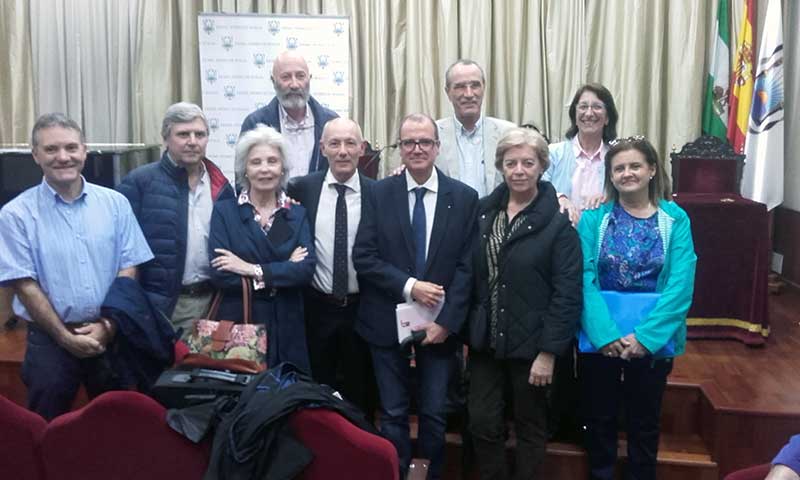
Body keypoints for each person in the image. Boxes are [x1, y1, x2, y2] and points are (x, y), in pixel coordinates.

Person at [0, 113, 153, 420]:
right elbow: (24, 284)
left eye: (71, 147)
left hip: (109, 337)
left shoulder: (115, 204)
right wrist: (64, 337)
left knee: (118, 427)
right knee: (46, 428)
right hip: (49, 343)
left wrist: (108, 327)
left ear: (84, 150)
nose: (63, 157)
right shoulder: (15, 215)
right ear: (35, 155)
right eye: (51, 149)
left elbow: (129, 267)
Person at [353, 113, 479, 480]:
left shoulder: (464, 197)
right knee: (391, 413)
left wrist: (446, 322)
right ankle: (397, 475)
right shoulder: (379, 192)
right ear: (400, 148)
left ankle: (430, 475)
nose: (417, 148)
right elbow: (365, 257)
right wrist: (411, 286)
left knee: (435, 414)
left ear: (438, 147)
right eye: (409, 142)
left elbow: (467, 270)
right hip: (384, 321)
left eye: (425, 141)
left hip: (439, 328)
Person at [577, 136, 697, 480]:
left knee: (644, 422)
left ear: (651, 170)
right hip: (601, 341)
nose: (627, 173)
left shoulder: (675, 219)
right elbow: (584, 279)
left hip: (652, 341)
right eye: (619, 168)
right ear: (610, 176)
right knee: (599, 419)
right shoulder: (593, 220)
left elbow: (681, 282)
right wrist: (604, 334)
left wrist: (646, 337)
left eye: (635, 166)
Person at [467, 127, 582, 479]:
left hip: (534, 349)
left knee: (531, 428)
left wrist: (548, 353)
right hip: (487, 342)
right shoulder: (483, 214)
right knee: (482, 422)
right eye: (511, 162)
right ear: (500, 166)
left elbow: (567, 293)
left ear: (541, 167)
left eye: (527, 163)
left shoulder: (558, 224)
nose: (519, 170)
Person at [117, 102, 234, 339]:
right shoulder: (140, 183)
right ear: (165, 139)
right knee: (164, 375)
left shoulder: (221, 186)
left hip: (214, 303)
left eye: (199, 134)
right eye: (183, 134)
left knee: (204, 375)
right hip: (162, 308)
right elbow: (121, 252)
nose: (192, 141)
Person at [209, 124, 316, 372]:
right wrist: (283, 268)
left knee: (287, 394)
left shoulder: (295, 213)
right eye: (256, 162)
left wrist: (249, 268)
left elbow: (305, 271)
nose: (265, 169)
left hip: (288, 323)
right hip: (242, 322)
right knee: (243, 398)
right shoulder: (225, 212)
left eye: (272, 161)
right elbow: (221, 274)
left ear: (282, 169)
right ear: (245, 170)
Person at [287, 118, 376, 414]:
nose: (342, 151)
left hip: (362, 309)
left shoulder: (379, 193)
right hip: (316, 309)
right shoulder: (301, 189)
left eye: (350, 143)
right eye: (334, 144)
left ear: (362, 149)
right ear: (322, 148)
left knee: (360, 393)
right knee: (316, 391)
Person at [239, 51, 339, 178]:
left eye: (300, 76)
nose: (294, 85)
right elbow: (242, 179)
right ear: (273, 81)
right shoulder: (255, 123)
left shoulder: (330, 122)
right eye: (286, 77)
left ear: (309, 79)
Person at [436, 59, 515, 197]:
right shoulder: (432, 135)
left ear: (483, 88)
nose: (469, 94)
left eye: (475, 85)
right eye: (460, 87)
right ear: (448, 92)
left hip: (495, 215)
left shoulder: (508, 133)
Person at [544, 83, 619, 224]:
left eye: (597, 107)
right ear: (575, 117)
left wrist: (610, 199)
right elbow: (536, 188)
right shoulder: (553, 153)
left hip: (603, 238)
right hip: (559, 237)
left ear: (607, 118)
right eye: (583, 107)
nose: (589, 113)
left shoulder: (617, 157)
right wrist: (560, 198)